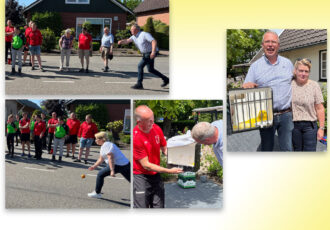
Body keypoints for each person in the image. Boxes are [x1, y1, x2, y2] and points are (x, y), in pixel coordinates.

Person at [242, 31, 294, 151]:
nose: (270, 45)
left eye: (273, 42)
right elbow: (246, 87)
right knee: (267, 148)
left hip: (286, 114)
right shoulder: (254, 67)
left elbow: (295, 84)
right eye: (267, 42)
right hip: (264, 114)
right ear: (262, 45)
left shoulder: (288, 63)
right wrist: (246, 86)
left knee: (287, 149)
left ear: (278, 45)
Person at [133, 105, 182, 208]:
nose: (153, 123)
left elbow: (164, 147)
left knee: (159, 207)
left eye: (153, 119)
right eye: (149, 121)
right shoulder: (136, 138)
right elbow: (146, 165)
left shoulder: (156, 128)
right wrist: (169, 171)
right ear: (139, 122)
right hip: (141, 176)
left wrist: (176, 158)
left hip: (156, 175)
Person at [118, 24, 169, 89]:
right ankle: (166, 79)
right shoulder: (134, 36)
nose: (130, 30)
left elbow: (153, 41)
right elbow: (127, 41)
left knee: (140, 66)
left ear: (136, 29)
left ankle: (139, 84)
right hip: (146, 53)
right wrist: (121, 42)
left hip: (151, 52)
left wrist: (153, 52)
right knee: (151, 69)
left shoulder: (144, 34)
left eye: (132, 29)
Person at [291, 58, 325, 151]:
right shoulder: (290, 84)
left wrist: (321, 128)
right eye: (301, 70)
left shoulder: (314, 85)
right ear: (295, 71)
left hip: (310, 127)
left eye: (306, 71)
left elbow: (320, 108)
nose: (303, 74)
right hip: (294, 126)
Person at [87, 131, 130, 198]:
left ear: (102, 139)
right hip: (126, 164)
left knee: (100, 175)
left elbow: (110, 157)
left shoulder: (106, 145)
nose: (95, 140)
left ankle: (97, 193)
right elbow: (101, 159)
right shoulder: (104, 146)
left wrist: (112, 170)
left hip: (117, 165)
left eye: (96, 139)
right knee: (133, 181)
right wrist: (94, 166)